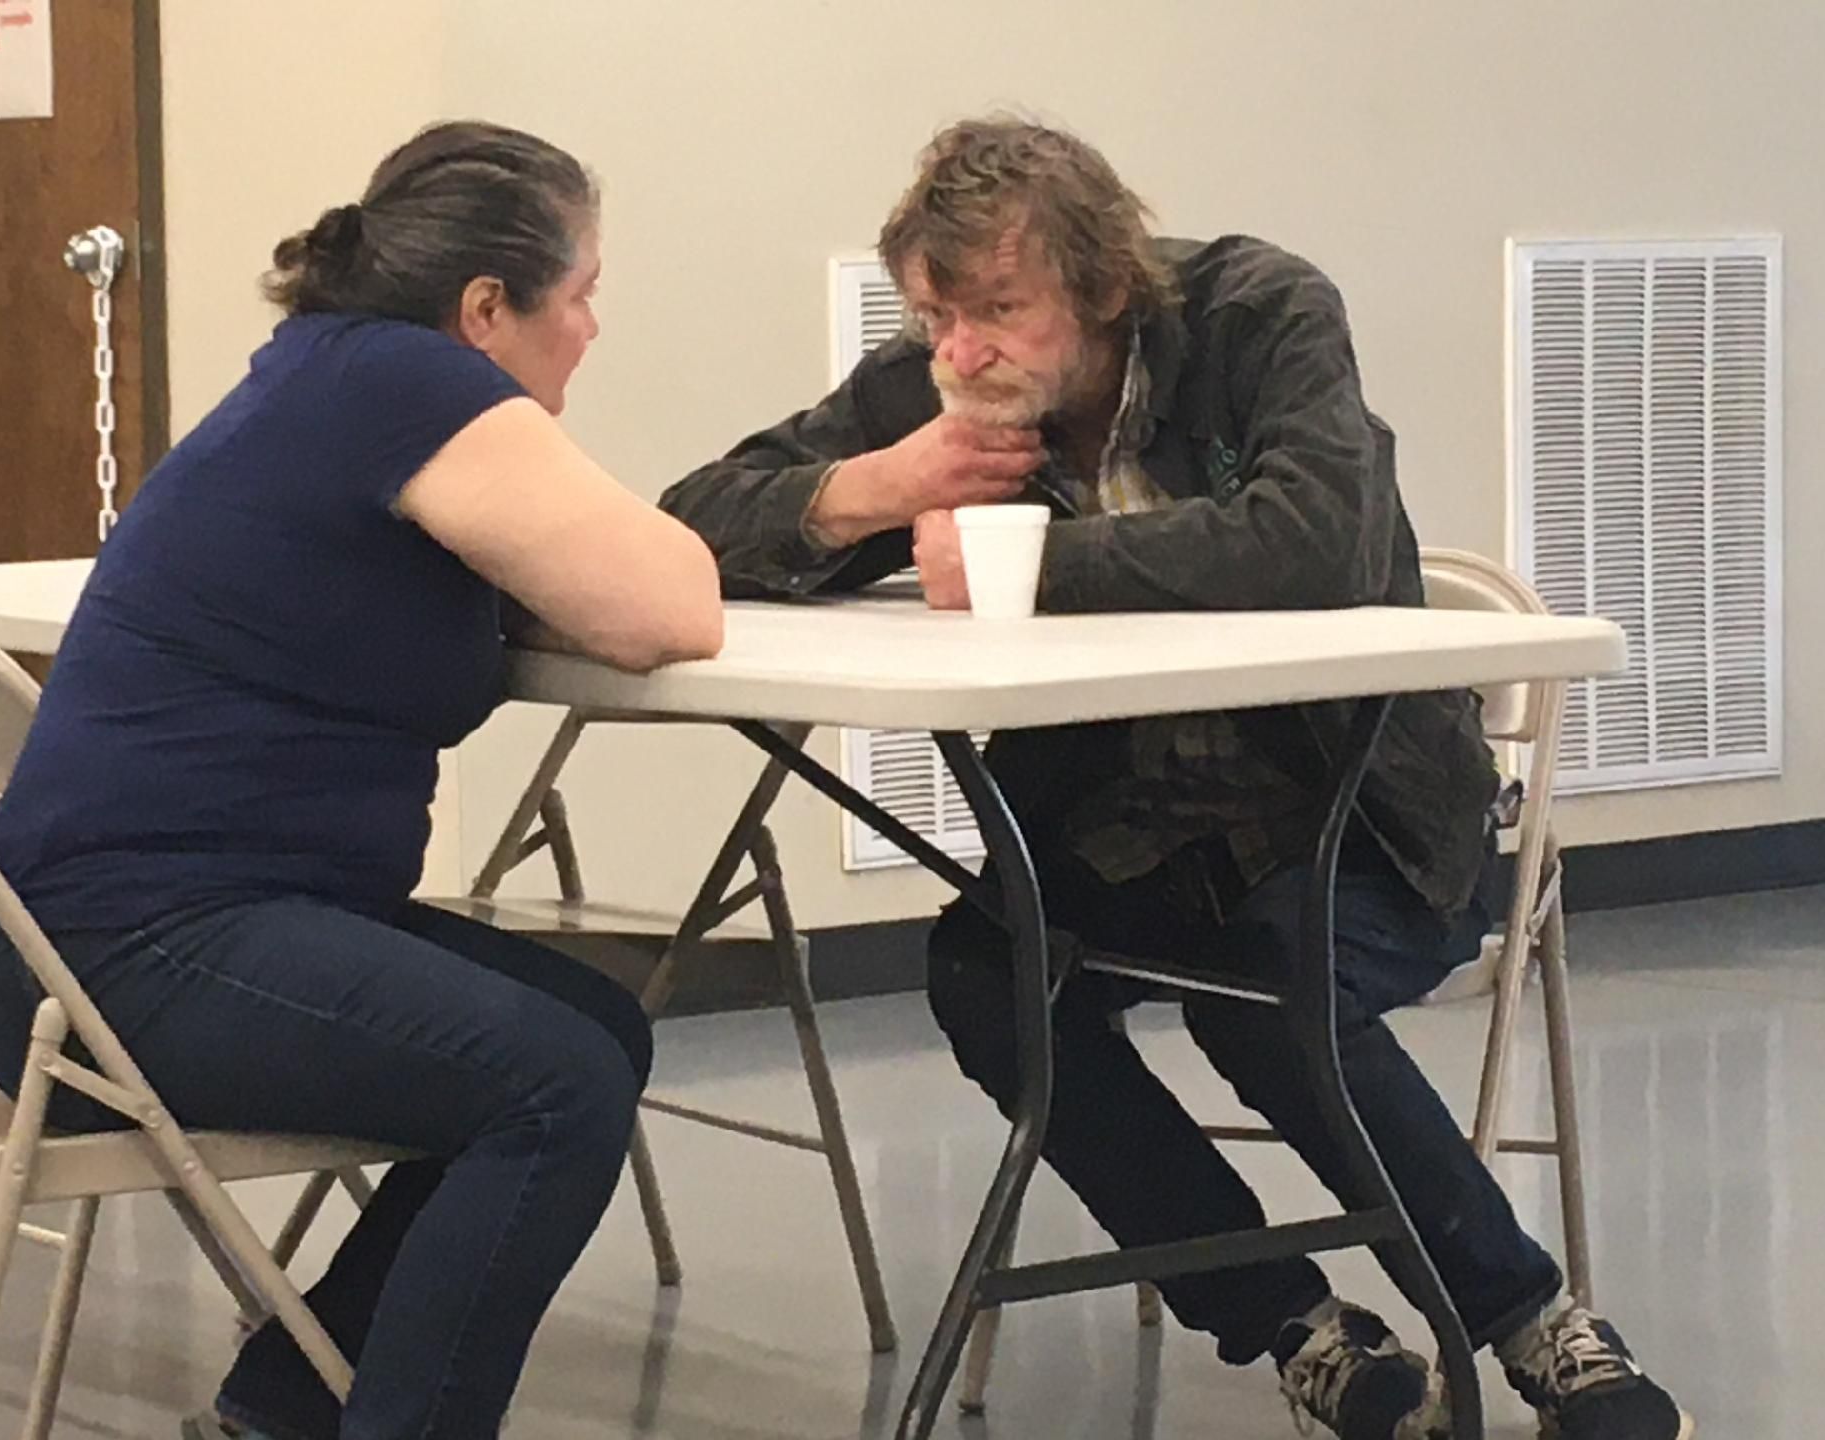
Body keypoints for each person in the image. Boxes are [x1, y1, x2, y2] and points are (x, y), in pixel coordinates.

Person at [662, 117, 1690, 1440]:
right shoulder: (949, 383)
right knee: (990, 972)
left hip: (1359, 823)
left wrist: (1039, 573)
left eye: (997, 314)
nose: (960, 353)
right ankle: (1288, 1321)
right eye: (933, 319)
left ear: (1099, 286)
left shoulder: (1259, 313)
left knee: (1269, 989)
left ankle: (1532, 1326)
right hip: (1131, 833)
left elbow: (1319, 539)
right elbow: (685, 523)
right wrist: (872, 486)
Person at [0, 120, 723, 1440]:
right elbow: (668, 608)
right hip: (135, 949)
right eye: (583, 294)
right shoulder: (408, 388)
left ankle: (287, 1413)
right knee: (553, 1086)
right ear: (488, 308)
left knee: (598, 1032)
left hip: (85, 936)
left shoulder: (324, 371)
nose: (593, 329)